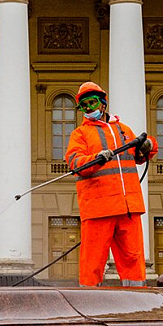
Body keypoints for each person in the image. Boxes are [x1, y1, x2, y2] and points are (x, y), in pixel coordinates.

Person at [65, 81, 157, 287]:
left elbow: (141, 156)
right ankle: (88, 304)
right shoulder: (80, 134)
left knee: (133, 259)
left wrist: (148, 145)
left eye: (92, 103)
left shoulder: (123, 130)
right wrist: (96, 158)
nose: (89, 109)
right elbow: (74, 162)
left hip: (128, 207)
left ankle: (137, 302)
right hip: (98, 207)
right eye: (84, 105)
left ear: (103, 104)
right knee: (92, 262)